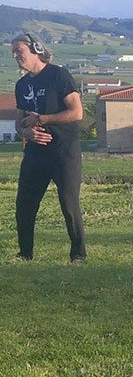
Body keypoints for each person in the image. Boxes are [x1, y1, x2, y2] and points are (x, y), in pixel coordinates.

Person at [11, 32, 86, 263]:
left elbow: (77, 112)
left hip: (64, 151)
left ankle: (78, 255)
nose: (15, 56)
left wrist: (42, 119)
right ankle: (25, 255)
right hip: (36, 153)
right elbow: (19, 121)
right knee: (25, 204)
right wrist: (26, 132)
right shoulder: (22, 85)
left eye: (19, 51)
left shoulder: (58, 75)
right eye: (13, 52)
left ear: (35, 49)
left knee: (68, 203)